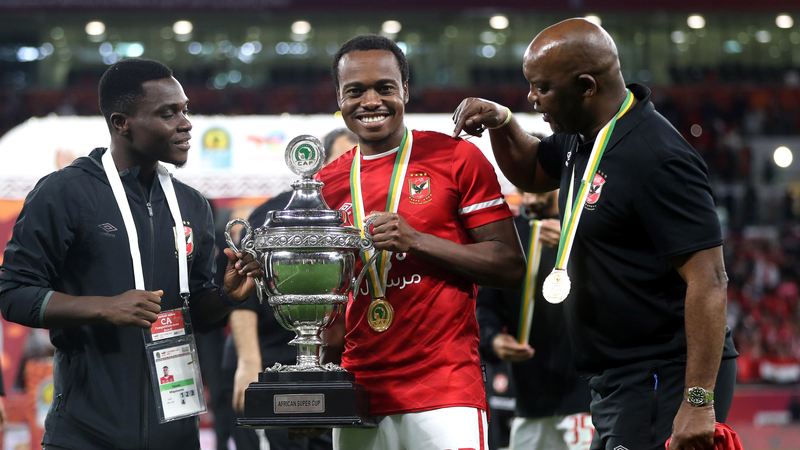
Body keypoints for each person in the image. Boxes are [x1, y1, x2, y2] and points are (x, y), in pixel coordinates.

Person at [452, 18, 738, 450]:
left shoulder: (658, 158)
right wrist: (502, 120)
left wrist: (697, 400)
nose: (531, 99)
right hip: (618, 378)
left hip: (662, 375)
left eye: (541, 88)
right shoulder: (582, 138)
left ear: (586, 86)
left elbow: (710, 280)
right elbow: (531, 169)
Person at [0, 58, 262, 450]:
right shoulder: (64, 193)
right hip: (85, 436)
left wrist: (225, 296)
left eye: (185, 110)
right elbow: (13, 294)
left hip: (178, 435)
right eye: (168, 113)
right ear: (122, 122)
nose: (185, 123)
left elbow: (197, 315)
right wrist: (105, 307)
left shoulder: (191, 205)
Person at [313, 34, 525, 450]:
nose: (370, 101)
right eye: (355, 91)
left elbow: (510, 266)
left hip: (444, 388)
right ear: (339, 97)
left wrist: (417, 241)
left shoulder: (455, 158)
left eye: (384, 87)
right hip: (359, 390)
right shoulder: (326, 183)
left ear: (405, 91)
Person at [222, 128, 356, 450]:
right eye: (341, 159)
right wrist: (249, 361)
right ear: (319, 164)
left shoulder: (356, 216)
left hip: (338, 364)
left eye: (355, 163)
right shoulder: (274, 215)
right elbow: (244, 289)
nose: (348, 168)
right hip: (272, 358)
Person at [477, 189, 594, 450]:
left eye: (535, 185)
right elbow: (486, 307)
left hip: (586, 397)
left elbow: (615, 287)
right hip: (529, 400)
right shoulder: (510, 236)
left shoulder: (585, 225)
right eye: (521, 187)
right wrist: (493, 340)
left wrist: (577, 241)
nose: (528, 195)